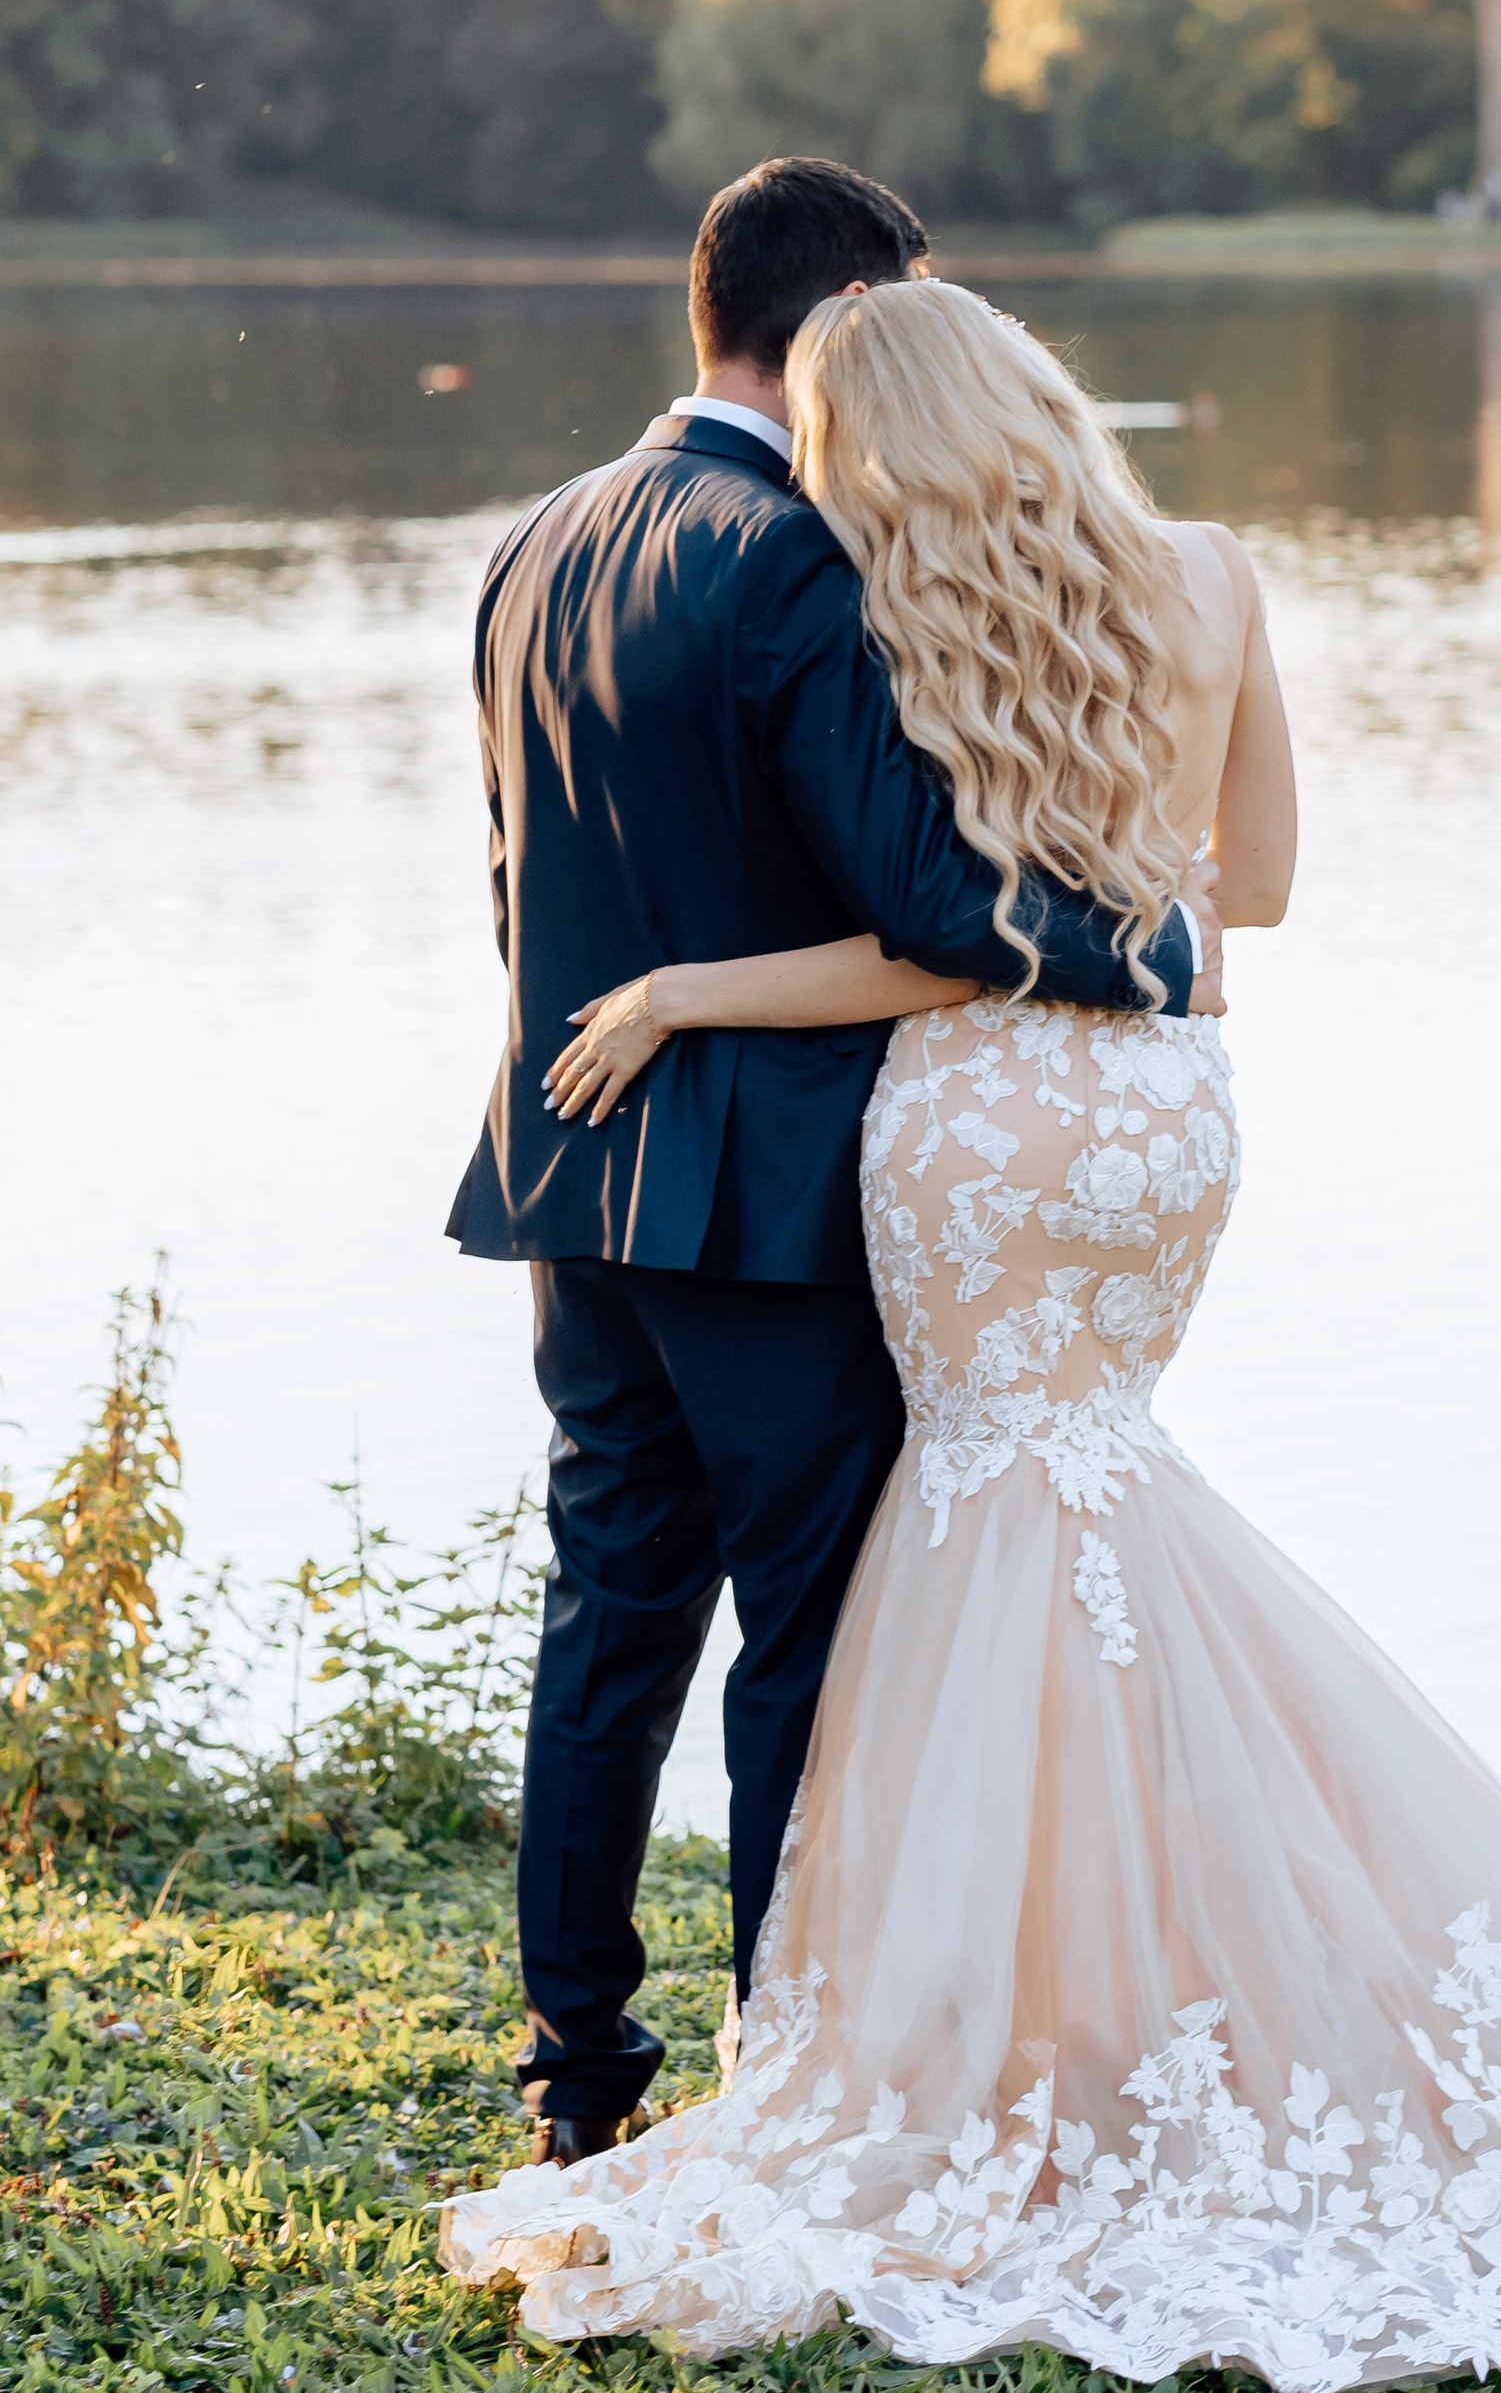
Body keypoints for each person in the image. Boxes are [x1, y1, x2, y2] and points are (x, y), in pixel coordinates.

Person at [442, 278, 1501, 2393]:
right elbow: (1219, 894)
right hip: (1149, 1114)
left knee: (832, 1573)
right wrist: (1151, 935)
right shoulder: (1194, 578)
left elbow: (883, 924)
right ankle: (1042, 2004)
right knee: (1047, 1521)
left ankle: (759, 2050)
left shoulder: (737, 577)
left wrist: (669, 997)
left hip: (811, 1141)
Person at [447, 160, 1210, 2168]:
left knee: (608, 1610)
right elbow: (924, 897)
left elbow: (518, 884)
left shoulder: (533, 545)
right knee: (809, 1629)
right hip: (772, 1196)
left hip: (573, 1164)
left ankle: (576, 2072)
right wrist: (1137, 946)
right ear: (841, 324)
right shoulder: (794, 561)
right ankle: (786, 2057)